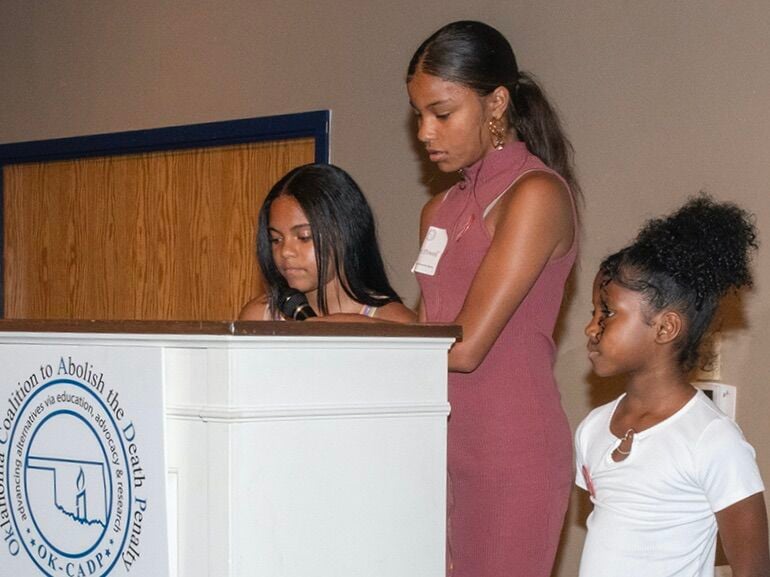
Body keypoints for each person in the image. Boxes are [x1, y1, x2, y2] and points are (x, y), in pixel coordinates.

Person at [407, 20, 580, 577]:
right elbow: (419, 330)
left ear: (496, 103)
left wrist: (357, 327)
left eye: (442, 113)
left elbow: (463, 347)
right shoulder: (438, 211)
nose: (425, 133)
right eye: (418, 115)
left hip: (511, 450)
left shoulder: (537, 194)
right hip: (439, 443)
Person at [577, 195, 769, 577]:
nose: (591, 327)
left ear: (665, 327)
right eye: (593, 312)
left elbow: (754, 567)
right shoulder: (592, 429)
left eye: (608, 313)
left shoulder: (711, 440)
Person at [239, 163, 416, 322]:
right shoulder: (259, 317)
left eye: (304, 236)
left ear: (344, 234)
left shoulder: (396, 323)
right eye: (276, 239)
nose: (285, 251)